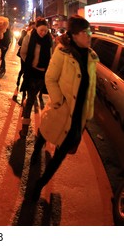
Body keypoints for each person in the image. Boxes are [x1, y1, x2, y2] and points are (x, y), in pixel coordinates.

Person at [30, 15, 99, 201]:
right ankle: (36, 151)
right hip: (62, 109)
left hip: (78, 116)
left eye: (89, 31)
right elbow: (50, 78)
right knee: (45, 132)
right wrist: (58, 100)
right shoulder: (63, 52)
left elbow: (90, 89)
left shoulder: (92, 57)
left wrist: (88, 113)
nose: (89, 36)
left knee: (60, 154)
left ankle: (40, 183)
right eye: (85, 32)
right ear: (74, 35)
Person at [19, 17, 53, 137]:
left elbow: (51, 55)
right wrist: (30, 65)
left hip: (43, 74)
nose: (43, 33)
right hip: (32, 73)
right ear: (37, 28)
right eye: (41, 30)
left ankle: (26, 107)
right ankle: (24, 129)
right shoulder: (30, 37)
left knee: (32, 98)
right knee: (31, 100)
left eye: (45, 30)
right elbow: (22, 52)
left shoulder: (49, 40)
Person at [14, 21, 36, 102]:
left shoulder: (37, 35)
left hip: (32, 56)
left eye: (35, 27)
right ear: (29, 26)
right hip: (24, 54)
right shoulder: (25, 33)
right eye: (32, 27)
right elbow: (19, 43)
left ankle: (25, 88)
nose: (33, 29)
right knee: (23, 69)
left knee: (28, 71)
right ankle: (19, 81)